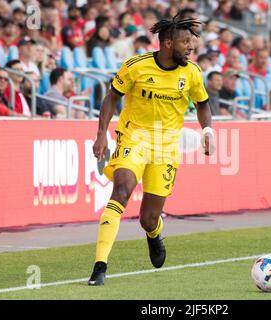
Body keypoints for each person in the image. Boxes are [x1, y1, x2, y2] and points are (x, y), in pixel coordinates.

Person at [88, 13, 215, 286]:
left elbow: (202, 103)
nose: (190, 49)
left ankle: (154, 234)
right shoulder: (136, 66)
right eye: (185, 43)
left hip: (166, 148)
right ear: (167, 43)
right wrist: (101, 134)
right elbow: (112, 97)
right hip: (134, 139)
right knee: (120, 191)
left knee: (148, 218)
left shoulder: (192, 73)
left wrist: (207, 131)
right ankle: (100, 266)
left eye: (192, 44)